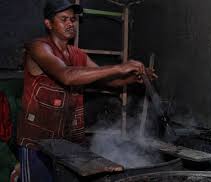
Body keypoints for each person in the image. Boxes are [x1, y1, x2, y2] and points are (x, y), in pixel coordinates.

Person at [17, 0, 154, 181]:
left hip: (69, 143)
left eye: (72, 20)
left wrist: (134, 78)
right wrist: (120, 67)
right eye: (64, 19)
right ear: (48, 23)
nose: (70, 23)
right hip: (37, 143)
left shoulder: (77, 54)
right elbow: (67, 75)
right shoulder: (39, 47)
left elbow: (107, 82)